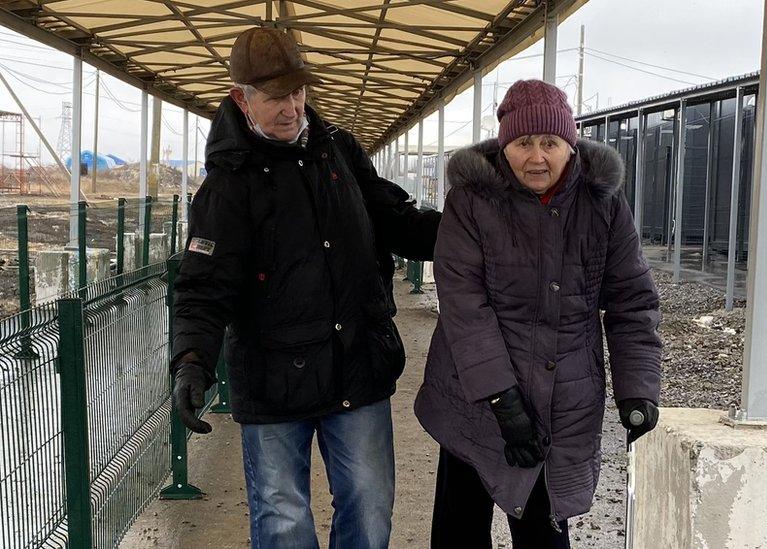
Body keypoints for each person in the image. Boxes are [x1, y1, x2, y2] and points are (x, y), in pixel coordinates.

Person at [169, 27, 440, 549]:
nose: (292, 109)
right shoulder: (227, 186)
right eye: (275, 98)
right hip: (274, 379)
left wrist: (470, 230)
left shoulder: (338, 151)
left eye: (298, 92)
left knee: (368, 506)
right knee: (283, 518)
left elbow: (394, 218)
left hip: (356, 364)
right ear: (240, 98)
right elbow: (203, 287)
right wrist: (192, 361)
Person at [414, 79, 664, 548]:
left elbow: (632, 300)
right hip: (474, 397)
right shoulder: (471, 200)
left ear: (570, 144)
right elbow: (464, 304)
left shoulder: (602, 202)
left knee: (544, 533)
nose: (536, 158)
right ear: (503, 145)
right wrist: (501, 400)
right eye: (522, 143)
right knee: (460, 527)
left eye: (550, 143)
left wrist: (638, 390)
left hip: (561, 403)